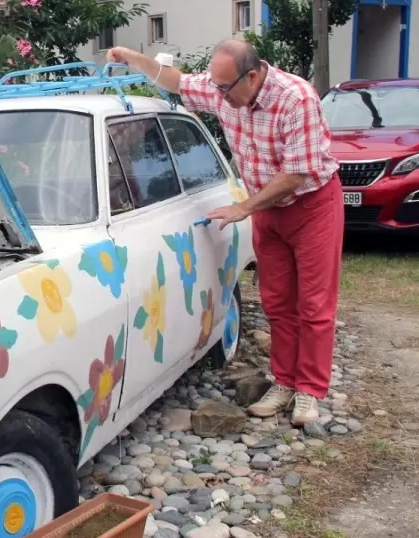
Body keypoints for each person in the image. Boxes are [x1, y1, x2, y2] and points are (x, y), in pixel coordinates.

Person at [106, 41, 342, 427]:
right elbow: (175, 81)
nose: (217, 96)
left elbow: (297, 172)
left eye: (225, 88)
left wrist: (244, 207)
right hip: (267, 207)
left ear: (252, 75)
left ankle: (309, 391)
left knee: (314, 305)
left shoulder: (296, 98)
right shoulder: (224, 89)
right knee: (278, 301)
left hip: (310, 204)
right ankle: (284, 382)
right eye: (214, 87)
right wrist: (132, 57)